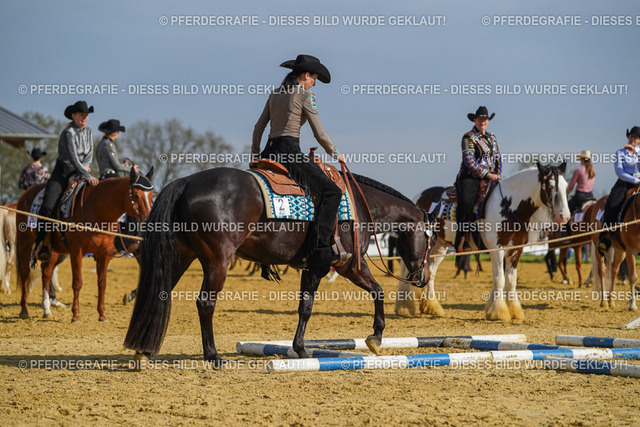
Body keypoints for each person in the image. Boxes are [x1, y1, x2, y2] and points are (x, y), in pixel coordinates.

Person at [252, 54, 347, 277]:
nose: (314, 83)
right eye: (314, 78)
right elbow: (319, 134)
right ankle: (321, 250)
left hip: (268, 153)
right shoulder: (305, 96)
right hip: (290, 154)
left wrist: (255, 156)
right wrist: (336, 154)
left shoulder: (274, 94)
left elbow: (258, 128)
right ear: (305, 76)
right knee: (332, 192)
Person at [32, 101, 99, 262]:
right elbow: (73, 158)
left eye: (86, 115)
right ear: (73, 116)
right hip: (63, 172)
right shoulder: (68, 133)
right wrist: (87, 175)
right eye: (81, 115)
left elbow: (89, 153)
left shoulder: (89, 131)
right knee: (48, 205)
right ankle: (42, 242)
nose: (85, 117)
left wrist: (86, 168)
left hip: (82, 171)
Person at [454, 106, 502, 252]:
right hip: (470, 177)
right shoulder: (468, 137)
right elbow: (469, 162)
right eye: (480, 119)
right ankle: (461, 239)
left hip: (491, 177)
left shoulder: (492, 137)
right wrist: (487, 174)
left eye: (485, 119)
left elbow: (498, 158)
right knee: (466, 202)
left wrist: (497, 174)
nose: (483, 122)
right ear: (474, 120)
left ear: (488, 121)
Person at [598, 126, 640, 256]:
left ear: (639, 140)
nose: (632, 139)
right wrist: (635, 180)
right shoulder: (620, 153)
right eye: (631, 136)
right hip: (624, 183)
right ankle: (606, 236)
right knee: (612, 204)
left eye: (635, 137)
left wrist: (635, 152)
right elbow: (619, 172)